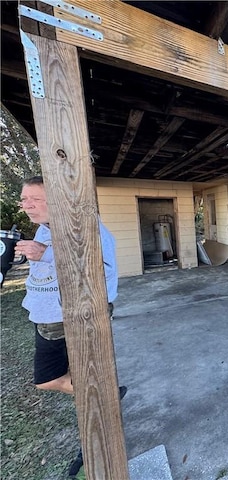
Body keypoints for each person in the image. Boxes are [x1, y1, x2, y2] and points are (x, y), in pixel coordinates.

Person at [16, 176, 124, 477]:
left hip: (74, 318)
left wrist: (45, 254)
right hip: (47, 314)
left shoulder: (87, 227)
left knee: (55, 378)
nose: (26, 206)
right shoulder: (45, 228)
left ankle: (101, 422)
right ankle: (102, 399)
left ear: (57, 199)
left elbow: (99, 269)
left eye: (33, 199)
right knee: (58, 378)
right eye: (23, 200)